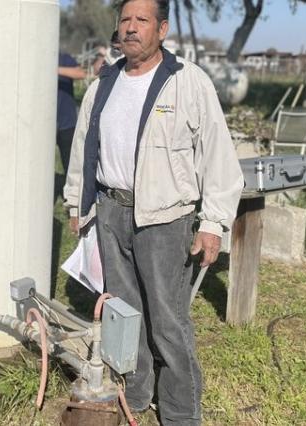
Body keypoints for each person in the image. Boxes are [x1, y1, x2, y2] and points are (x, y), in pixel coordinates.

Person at [63, 0, 244, 423]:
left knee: (167, 321)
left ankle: (181, 413)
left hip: (166, 220)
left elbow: (218, 156)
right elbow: (83, 149)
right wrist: (78, 202)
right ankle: (138, 393)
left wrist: (213, 223)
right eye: (125, 20)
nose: (130, 28)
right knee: (124, 316)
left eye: (141, 20)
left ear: (161, 30)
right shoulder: (103, 83)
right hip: (111, 212)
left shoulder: (187, 82)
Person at [56, 52, 86, 175]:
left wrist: (53, 69)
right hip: (43, 124)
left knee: (70, 164)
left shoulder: (63, 57)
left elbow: (80, 73)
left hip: (66, 123)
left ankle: (70, 192)